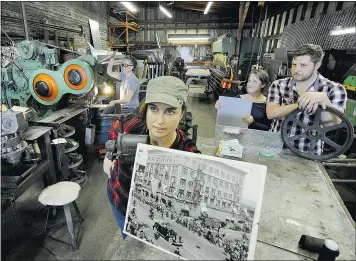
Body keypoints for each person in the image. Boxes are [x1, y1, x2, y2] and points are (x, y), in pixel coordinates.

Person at [103, 76, 201, 239]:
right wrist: (109, 157)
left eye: (170, 111)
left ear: (182, 113)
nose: (159, 121)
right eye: (154, 109)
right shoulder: (128, 126)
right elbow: (113, 138)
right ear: (146, 109)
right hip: (120, 199)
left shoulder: (186, 151)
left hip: (157, 217)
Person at [266, 44, 347, 155]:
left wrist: (324, 101)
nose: (296, 69)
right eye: (294, 64)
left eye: (303, 65)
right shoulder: (279, 85)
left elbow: (333, 124)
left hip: (308, 152)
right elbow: (271, 114)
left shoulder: (334, 89)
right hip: (274, 148)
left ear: (317, 65)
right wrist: (300, 103)